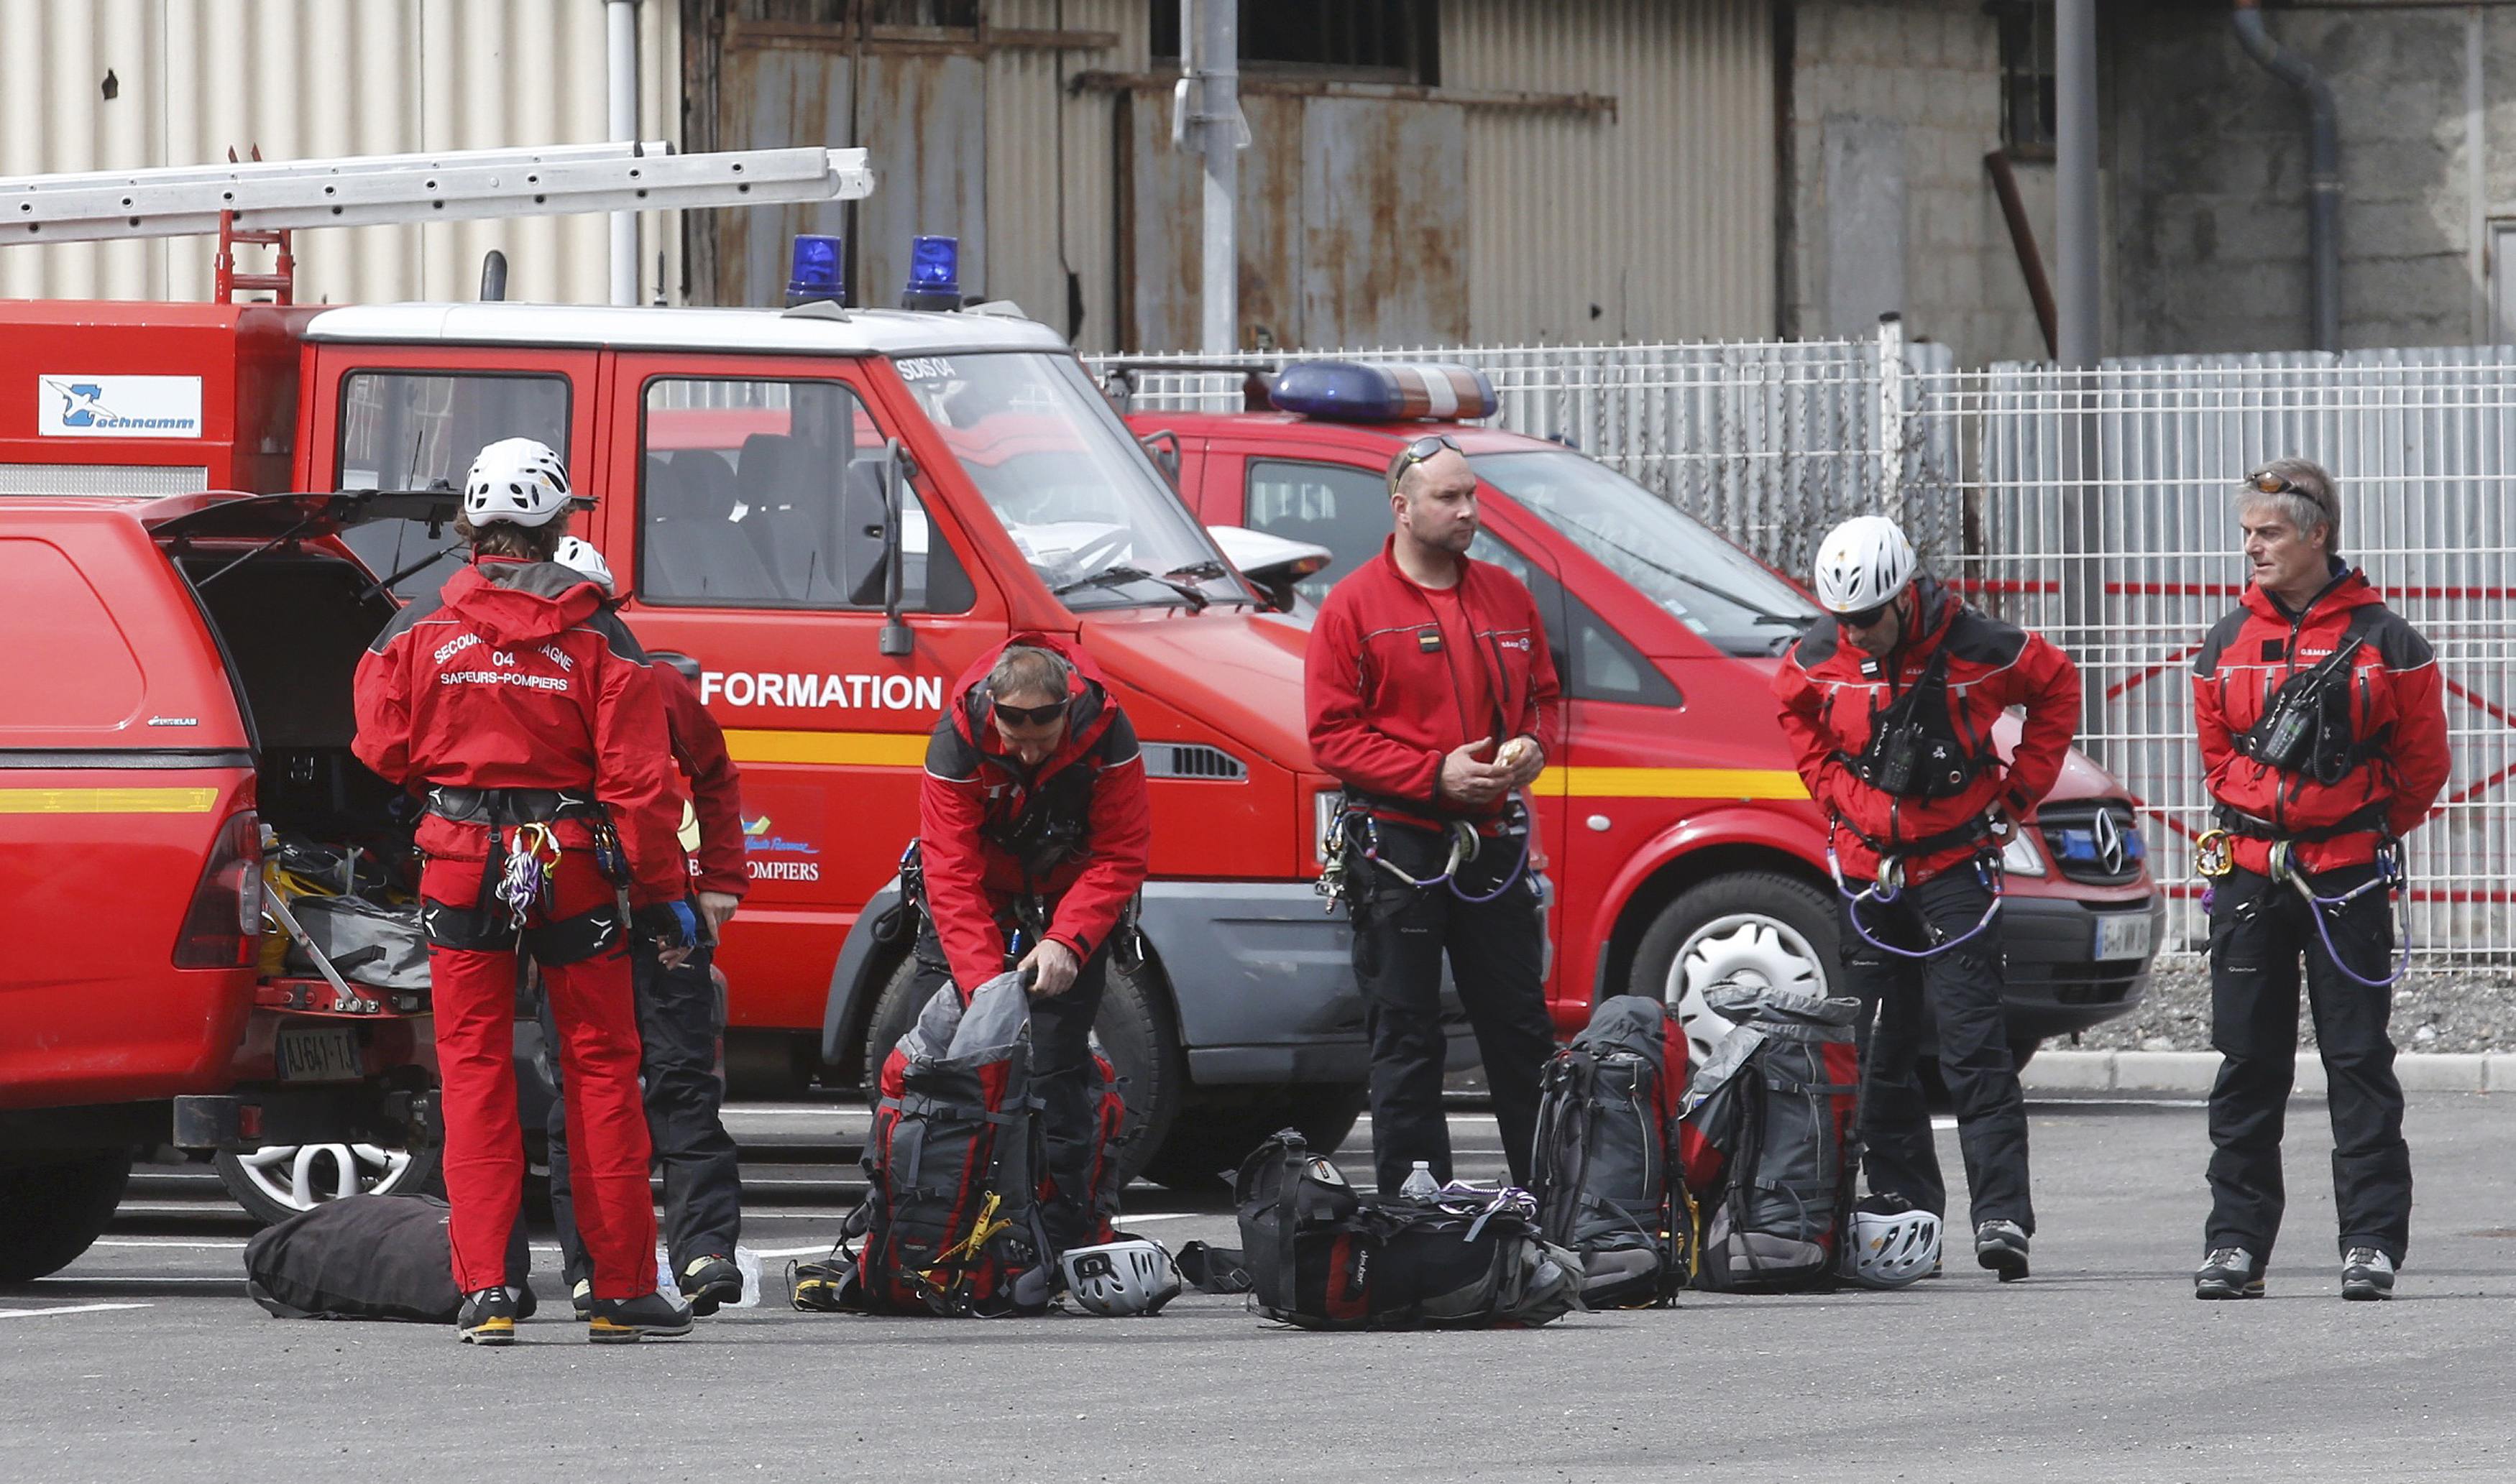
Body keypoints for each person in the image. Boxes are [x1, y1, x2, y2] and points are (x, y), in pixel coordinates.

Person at [353, 438, 701, 1345]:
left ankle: (489, 1293)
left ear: (473, 525)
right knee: (598, 1073)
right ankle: (619, 1291)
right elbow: (642, 782)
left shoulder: (415, 624)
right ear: (556, 525)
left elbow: (380, 748)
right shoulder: (597, 633)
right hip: (571, 867)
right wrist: (664, 895)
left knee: (471, 1076)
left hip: (460, 861)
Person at [1772, 515, 2080, 1281]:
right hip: (1867, 867)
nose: (1858, 634)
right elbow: (1795, 718)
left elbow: (2055, 688)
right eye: (1844, 620)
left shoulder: (1979, 644)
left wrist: (2015, 796)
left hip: (1952, 865)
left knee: (1974, 1043)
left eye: (1869, 618)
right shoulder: (1816, 656)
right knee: (1878, 1050)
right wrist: (1836, 796)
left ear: (1904, 597)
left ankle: (2001, 1215)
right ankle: (1907, 1214)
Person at [2188, 459, 2451, 1302]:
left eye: (2266, 532)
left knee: (2356, 1062)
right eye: (2245, 533)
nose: (2250, 547)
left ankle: (2368, 1243)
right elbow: (2215, 759)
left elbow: (2421, 769)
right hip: (2249, 876)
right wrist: (2268, 827)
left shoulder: (2389, 641)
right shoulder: (2222, 642)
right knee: (2245, 1064)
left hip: (2345, 882)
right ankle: (2234, 1245)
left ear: (2315, 533)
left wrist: (2354, 828)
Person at [1306, 433, 1561, 1197]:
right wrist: (1432, 774)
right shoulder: (1352, 606)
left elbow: (1543, 701)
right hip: (1398, 848)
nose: (1467, 511)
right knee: (1406, 1038)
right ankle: (1417, 1213)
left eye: (1472, 495)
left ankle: (1555, 1201)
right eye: (1448, 498)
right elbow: (1330, 735)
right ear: (1402, 507)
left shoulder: (1506, 596)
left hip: (1492, 847)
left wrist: (1528, 748)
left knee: (1519, 1034)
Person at [542, 537, 749, 1320]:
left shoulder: (653, 686)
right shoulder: (532, 681)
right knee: (580, 1094)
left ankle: (702, 1252)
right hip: (583, 909)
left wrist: (723, 880)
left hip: (657, 912)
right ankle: (592, 1265)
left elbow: (715, 773)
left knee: (680, 1083)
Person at [913, 633, 1152, 1257]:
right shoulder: (960, 738)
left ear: (1066, 710)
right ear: (993, 707)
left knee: (1058, 1063)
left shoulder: (1106, 733)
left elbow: (1121, 854)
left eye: (1042, 741)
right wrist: (983, 984)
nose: (1024, 751)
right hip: (983, 889)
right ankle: (941, 1222)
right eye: (1013, 738)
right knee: (943, 1062)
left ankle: (1063, 1233)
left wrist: (1067, 942)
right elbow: (948, 868)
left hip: (1070, 889)